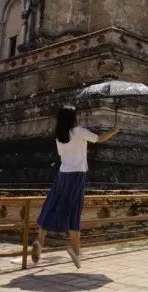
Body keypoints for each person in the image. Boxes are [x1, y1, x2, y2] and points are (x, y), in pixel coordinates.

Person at [31, 105, 120, 268]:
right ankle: (75, 252)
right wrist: (114, 131)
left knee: (51, 206)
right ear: (73, 118)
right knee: (73, 212)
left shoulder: (59, 136)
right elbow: (99, 139)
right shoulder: (79, 131)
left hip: (62, 175)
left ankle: (40, 241)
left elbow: (61, 155)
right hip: (77, 176)